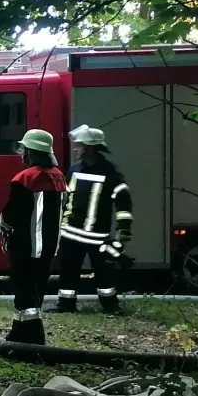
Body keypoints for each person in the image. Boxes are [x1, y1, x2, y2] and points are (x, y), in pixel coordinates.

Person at [0, 130, 67, 344]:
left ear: (30, 152)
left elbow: (13, 212)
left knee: (24, 289)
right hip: (48, 247)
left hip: (25, 245)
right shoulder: (59, 176)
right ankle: (19, 331)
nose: (22, 154)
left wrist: (2, 225)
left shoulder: (24, 178)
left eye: (24, 150)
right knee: (35, 289)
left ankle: (34, 337)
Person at [51, 125, 132, 314]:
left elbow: (123, 204)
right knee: (68, 271)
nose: (75, 149)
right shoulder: (74, 169)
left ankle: (110, 306)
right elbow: (66, 198)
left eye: (79, 145)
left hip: (97, 236)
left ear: (90, 147)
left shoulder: (111, 173)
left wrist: (123, 230)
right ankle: (66, 304)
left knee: (103, 273)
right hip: (71, 233)